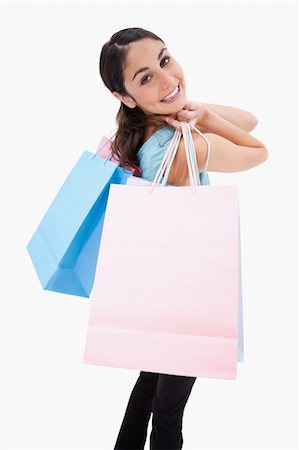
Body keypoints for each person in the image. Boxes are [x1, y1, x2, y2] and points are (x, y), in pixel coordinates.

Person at [99, 27, 268, 450]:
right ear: (125, 98)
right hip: (186, 298)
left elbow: (248, 117)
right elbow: (257, 147)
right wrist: (203, 120)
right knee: (169, 413)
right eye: (145, 78)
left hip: (159, 295)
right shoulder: (177, 149)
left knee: (149, 388)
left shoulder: (150, 136)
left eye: (165, 60)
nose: (166, 77)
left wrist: (181, 104)